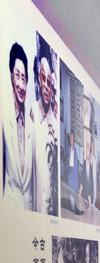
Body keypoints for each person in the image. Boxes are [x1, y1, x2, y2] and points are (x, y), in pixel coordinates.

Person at [3, 42, 35, 210]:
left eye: (24, 78)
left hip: (29, 215)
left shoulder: (31, 126)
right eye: (17, 76)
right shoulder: (4, 118)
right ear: (11, 77)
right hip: (8, 213)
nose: (21, 85)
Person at [31, 41, 58, 215]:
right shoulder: (32, 112)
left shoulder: (54, 123)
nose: (46, 87)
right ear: (38, 80)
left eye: (49, 81)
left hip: (50, 209)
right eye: (43, 79)